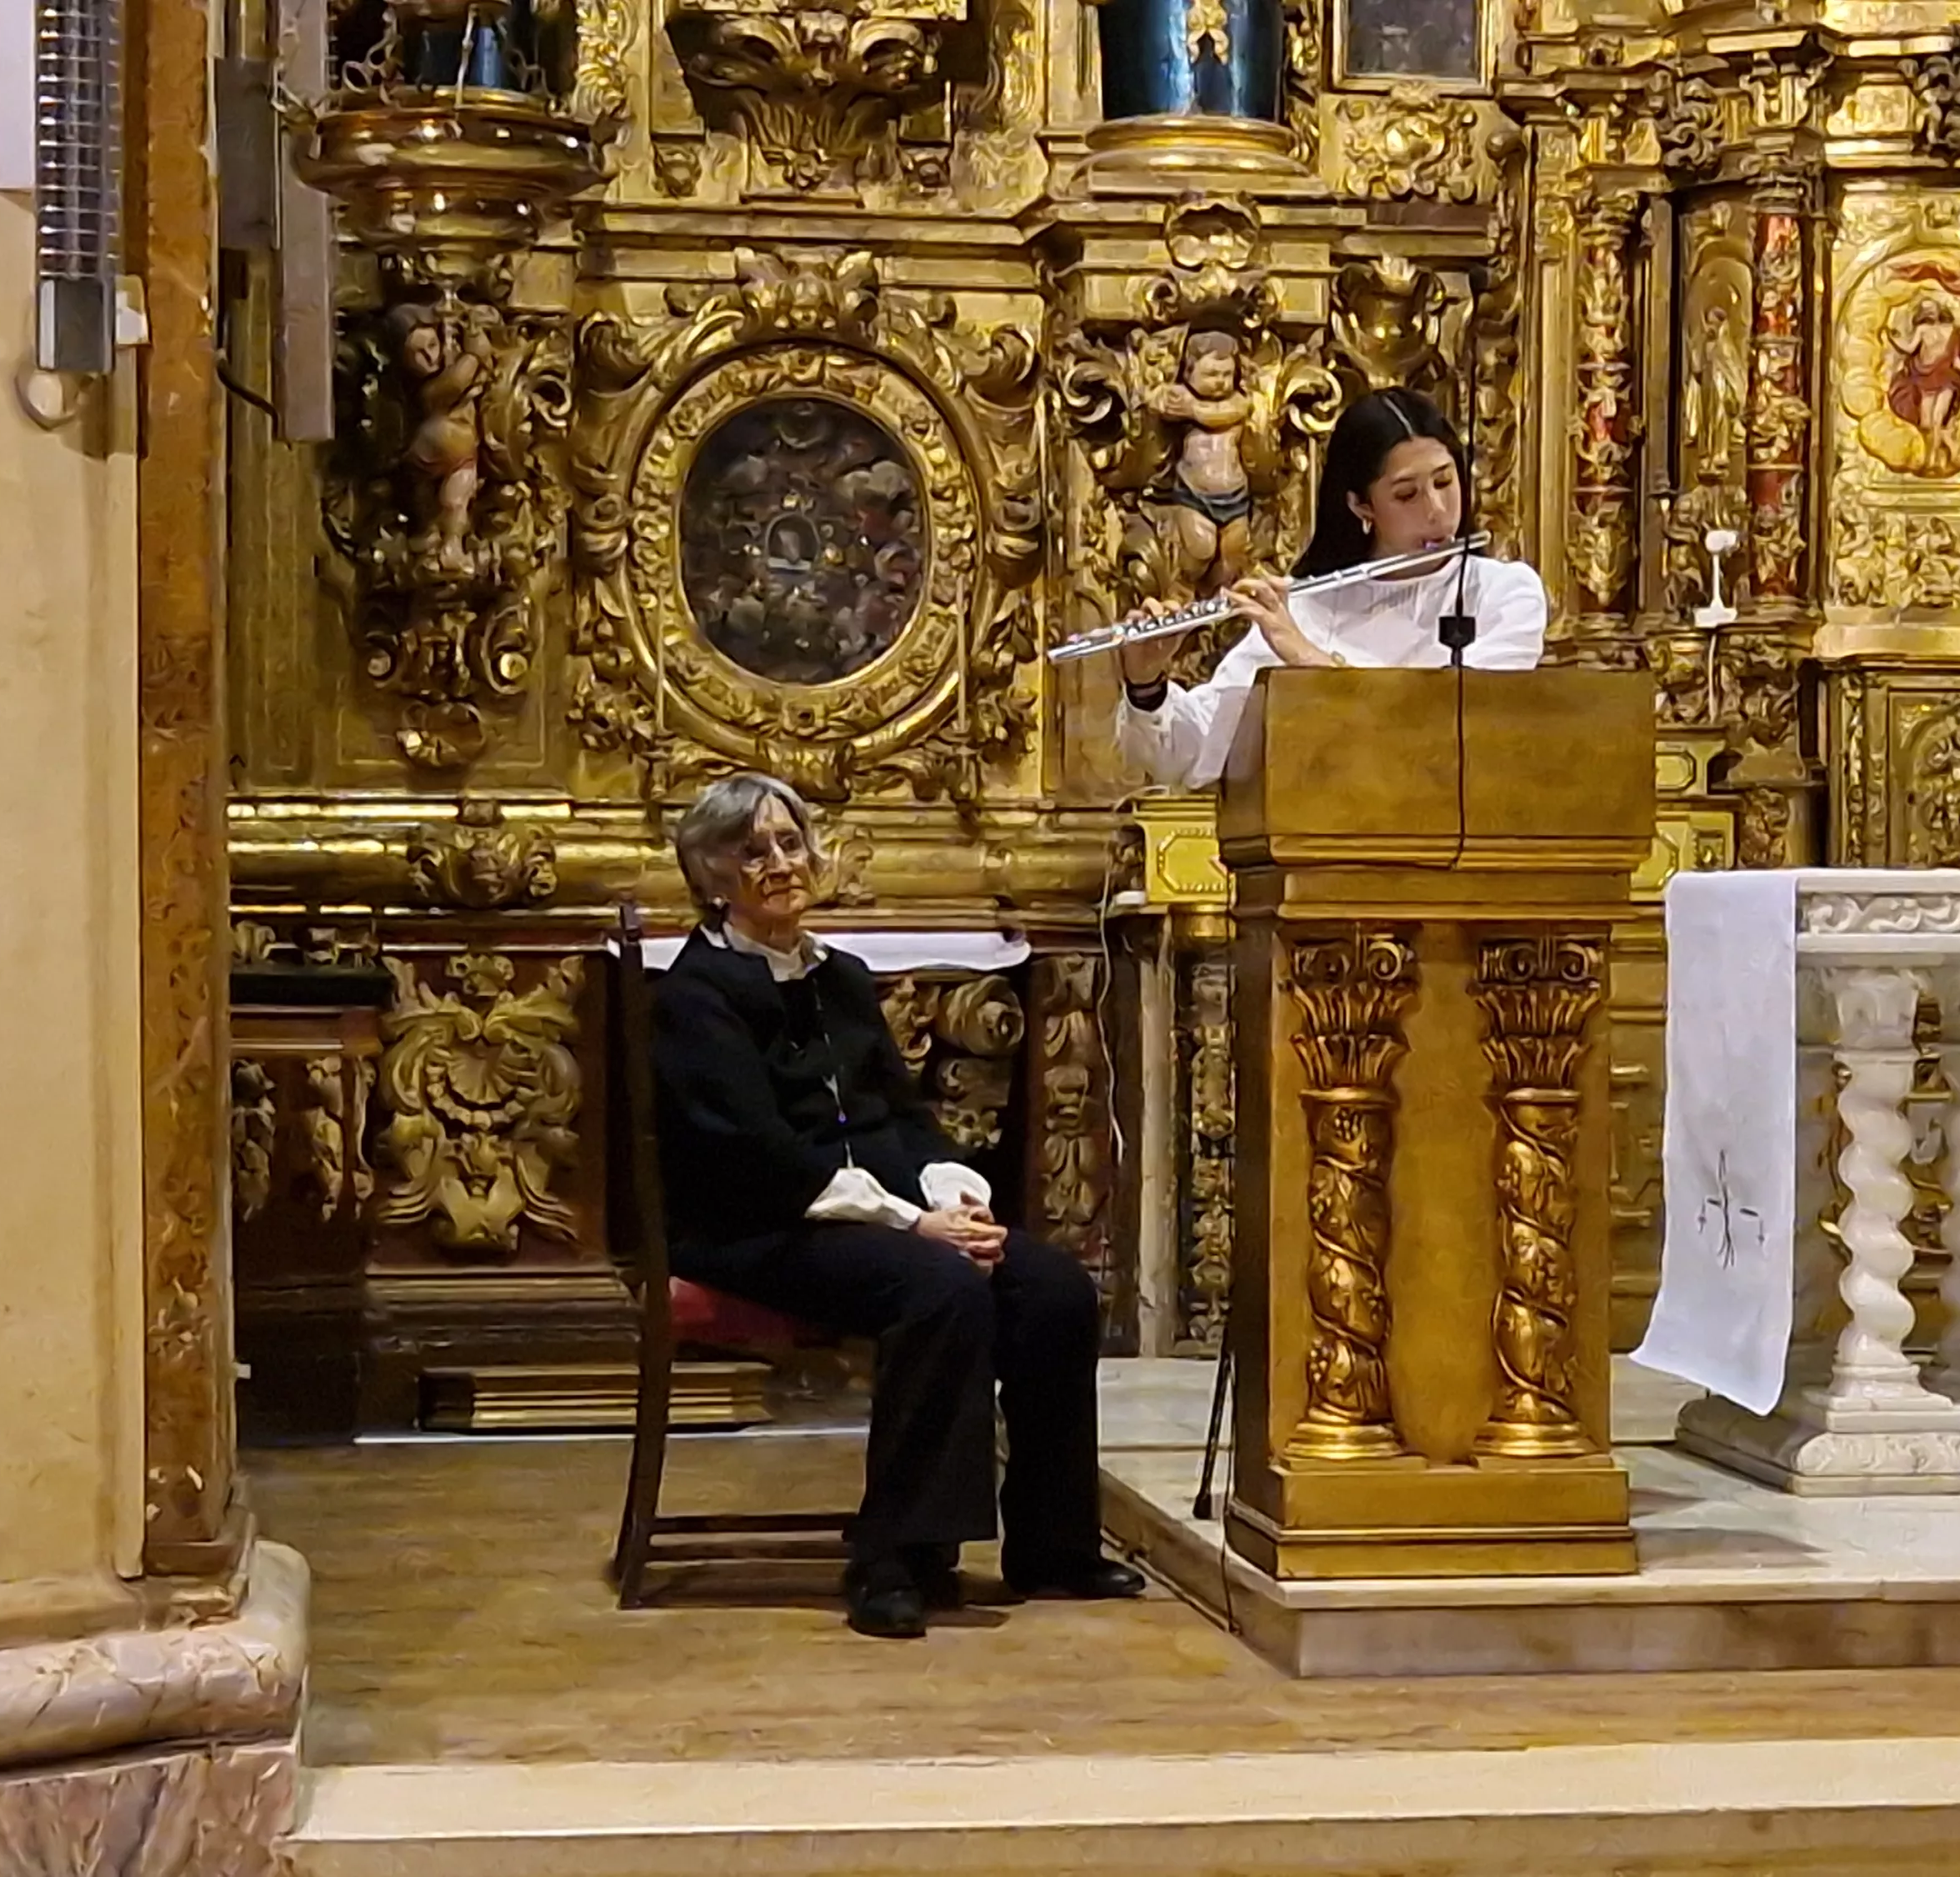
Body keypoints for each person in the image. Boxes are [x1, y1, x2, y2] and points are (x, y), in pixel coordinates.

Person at [653, 772, 1144, 1638]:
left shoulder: (838, 976)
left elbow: (900, 1118)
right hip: (754, 1223)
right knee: (937, 1286)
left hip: (867, 1212)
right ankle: (898, 1554)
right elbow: (759, 1154)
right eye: (752, 850)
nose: (779, 862)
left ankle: (1052, 1542)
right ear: (712, 875)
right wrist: (917, 1226)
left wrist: (955, 1198)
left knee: (1054, 1287)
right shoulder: (697, 992)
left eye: (790, 842)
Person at [1112, 387, 1548, 791]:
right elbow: (1199, 754)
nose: (1436, 511)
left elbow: (1444, 726)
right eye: (1406, 494)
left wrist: (1307, 658)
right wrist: (1146, 682)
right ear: (1361, 505)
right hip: (1319, 858)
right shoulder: (1308, 607)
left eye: (1444, 482)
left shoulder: (1506, 595)